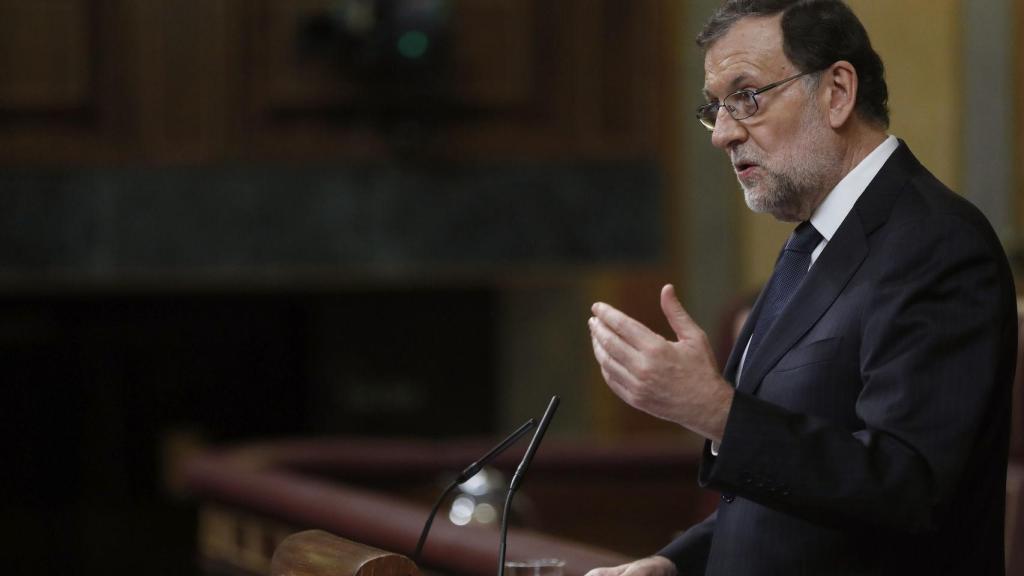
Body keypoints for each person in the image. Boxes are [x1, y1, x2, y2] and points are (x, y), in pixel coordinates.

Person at [585, 1, 1017, 574]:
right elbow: (790, 496)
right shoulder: (811, 246)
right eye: (716, 108)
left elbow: (907, 486)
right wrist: (675, 563)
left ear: (837, 91)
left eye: (747, 97)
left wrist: (716, 410)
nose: (723, 134)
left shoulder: (936, 244)